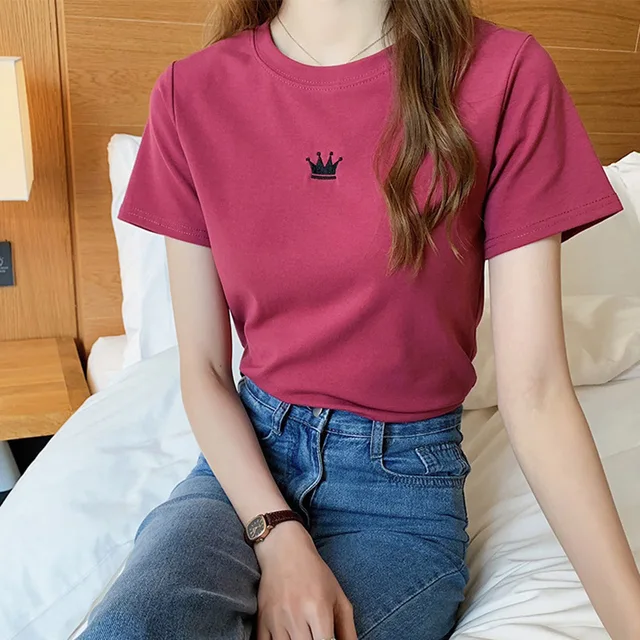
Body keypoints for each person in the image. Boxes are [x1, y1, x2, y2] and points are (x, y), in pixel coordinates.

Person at [79, 0, 640, 638]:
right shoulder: (192, 92)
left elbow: (536, 391)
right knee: (129, 627)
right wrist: (276, 534)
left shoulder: (505, 74)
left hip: (401, 494)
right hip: (244, 467)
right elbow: (204, 370)